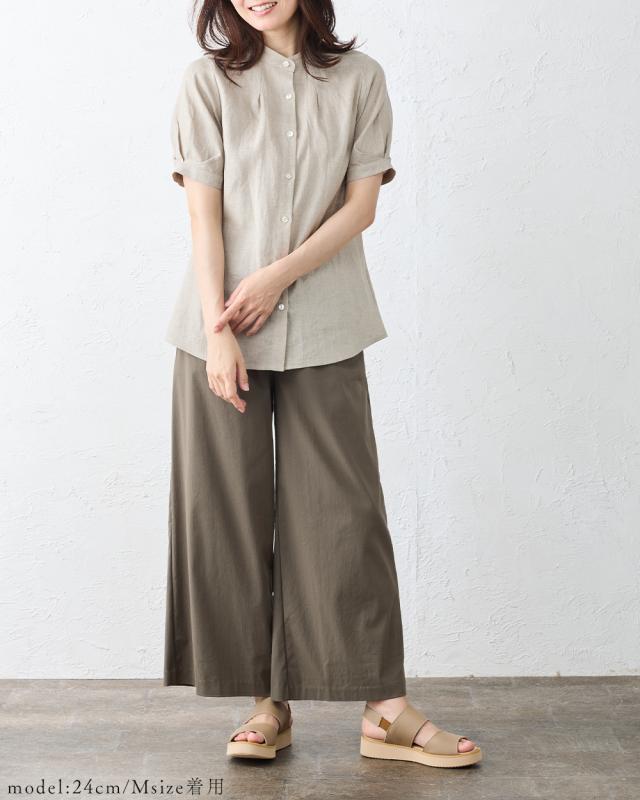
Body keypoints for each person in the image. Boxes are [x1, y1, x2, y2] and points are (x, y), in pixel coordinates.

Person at [163, 0, 482, 769]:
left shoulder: (361, 79)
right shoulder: (206, 83)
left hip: (327, 324)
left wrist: (275, 277)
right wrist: (217, 330)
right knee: (229, 516)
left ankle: (385, 709)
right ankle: (263, 704)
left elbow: (360, 208)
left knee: (344, 515)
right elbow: (204, 218)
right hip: (219, 329)